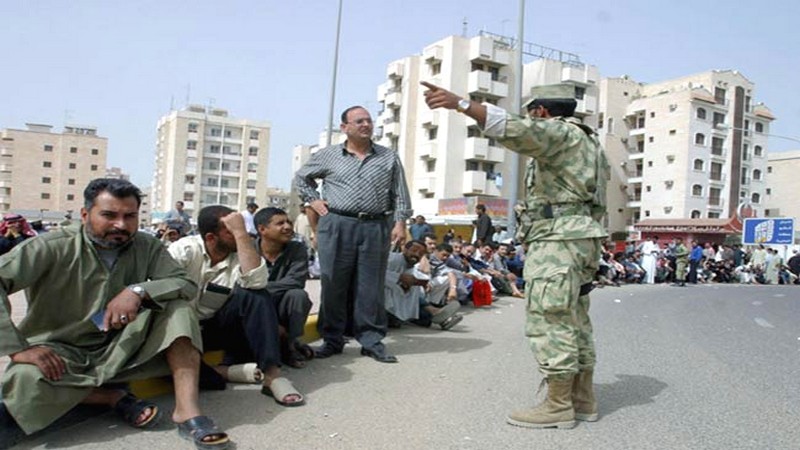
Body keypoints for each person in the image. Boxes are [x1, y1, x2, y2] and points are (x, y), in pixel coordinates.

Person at [423, 81, 609, 429]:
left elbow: (515, 130)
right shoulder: (590, 142)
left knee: (550, 318)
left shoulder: (560, 133)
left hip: (558, 240)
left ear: (541, 111)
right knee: (575, 318)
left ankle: (558, 405)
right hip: (581, 237)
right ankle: (582, 398)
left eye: (532, 113)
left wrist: (461, 104)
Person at [0, 179, 228, 449]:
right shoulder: (50, 246)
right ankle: (110, 398)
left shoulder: (147, 245)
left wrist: (137, 290)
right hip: (62, 352)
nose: (120, 224)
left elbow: (184, 284)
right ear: (85, 215)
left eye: (129, 216)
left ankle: (188, 411)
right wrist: (17, 349)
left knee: (178, 311)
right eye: (109, 215)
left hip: (123, 346)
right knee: (24, 378)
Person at [295, 105, 412, 364]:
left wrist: (401, 223)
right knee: (334, 283)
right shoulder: (327, 156)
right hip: (336, 224)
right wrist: (314, 201)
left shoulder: (388, 157)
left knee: (370, 286)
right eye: (359, 121)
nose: (366, 125)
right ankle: (333, 339)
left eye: (369, 121)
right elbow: (301, 178)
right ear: (344, 127)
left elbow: (400, 193)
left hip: (375, 226)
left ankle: (371, 341)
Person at [167, 205, 304, 407]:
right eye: (231, 230)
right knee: (204, 380)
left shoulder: (241, 252)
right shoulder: (184, 250)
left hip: (214, 329)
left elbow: (257, 283)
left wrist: (240, 234)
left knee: (255, 295)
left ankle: (272, 376)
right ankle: (223, 372)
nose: (242, 233)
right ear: (212, 238)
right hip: (180, 333)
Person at [254, 207, 314, 368]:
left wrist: (260, 287)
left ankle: (290, 345)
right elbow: (242, 286)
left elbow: (296, 281)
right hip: (257, 307)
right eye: (280, 223)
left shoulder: (297, 249)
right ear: (262, 229)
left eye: (288, 222)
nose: (287, 227)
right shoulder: (249, 251)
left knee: (297, 295)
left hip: (281, 306)